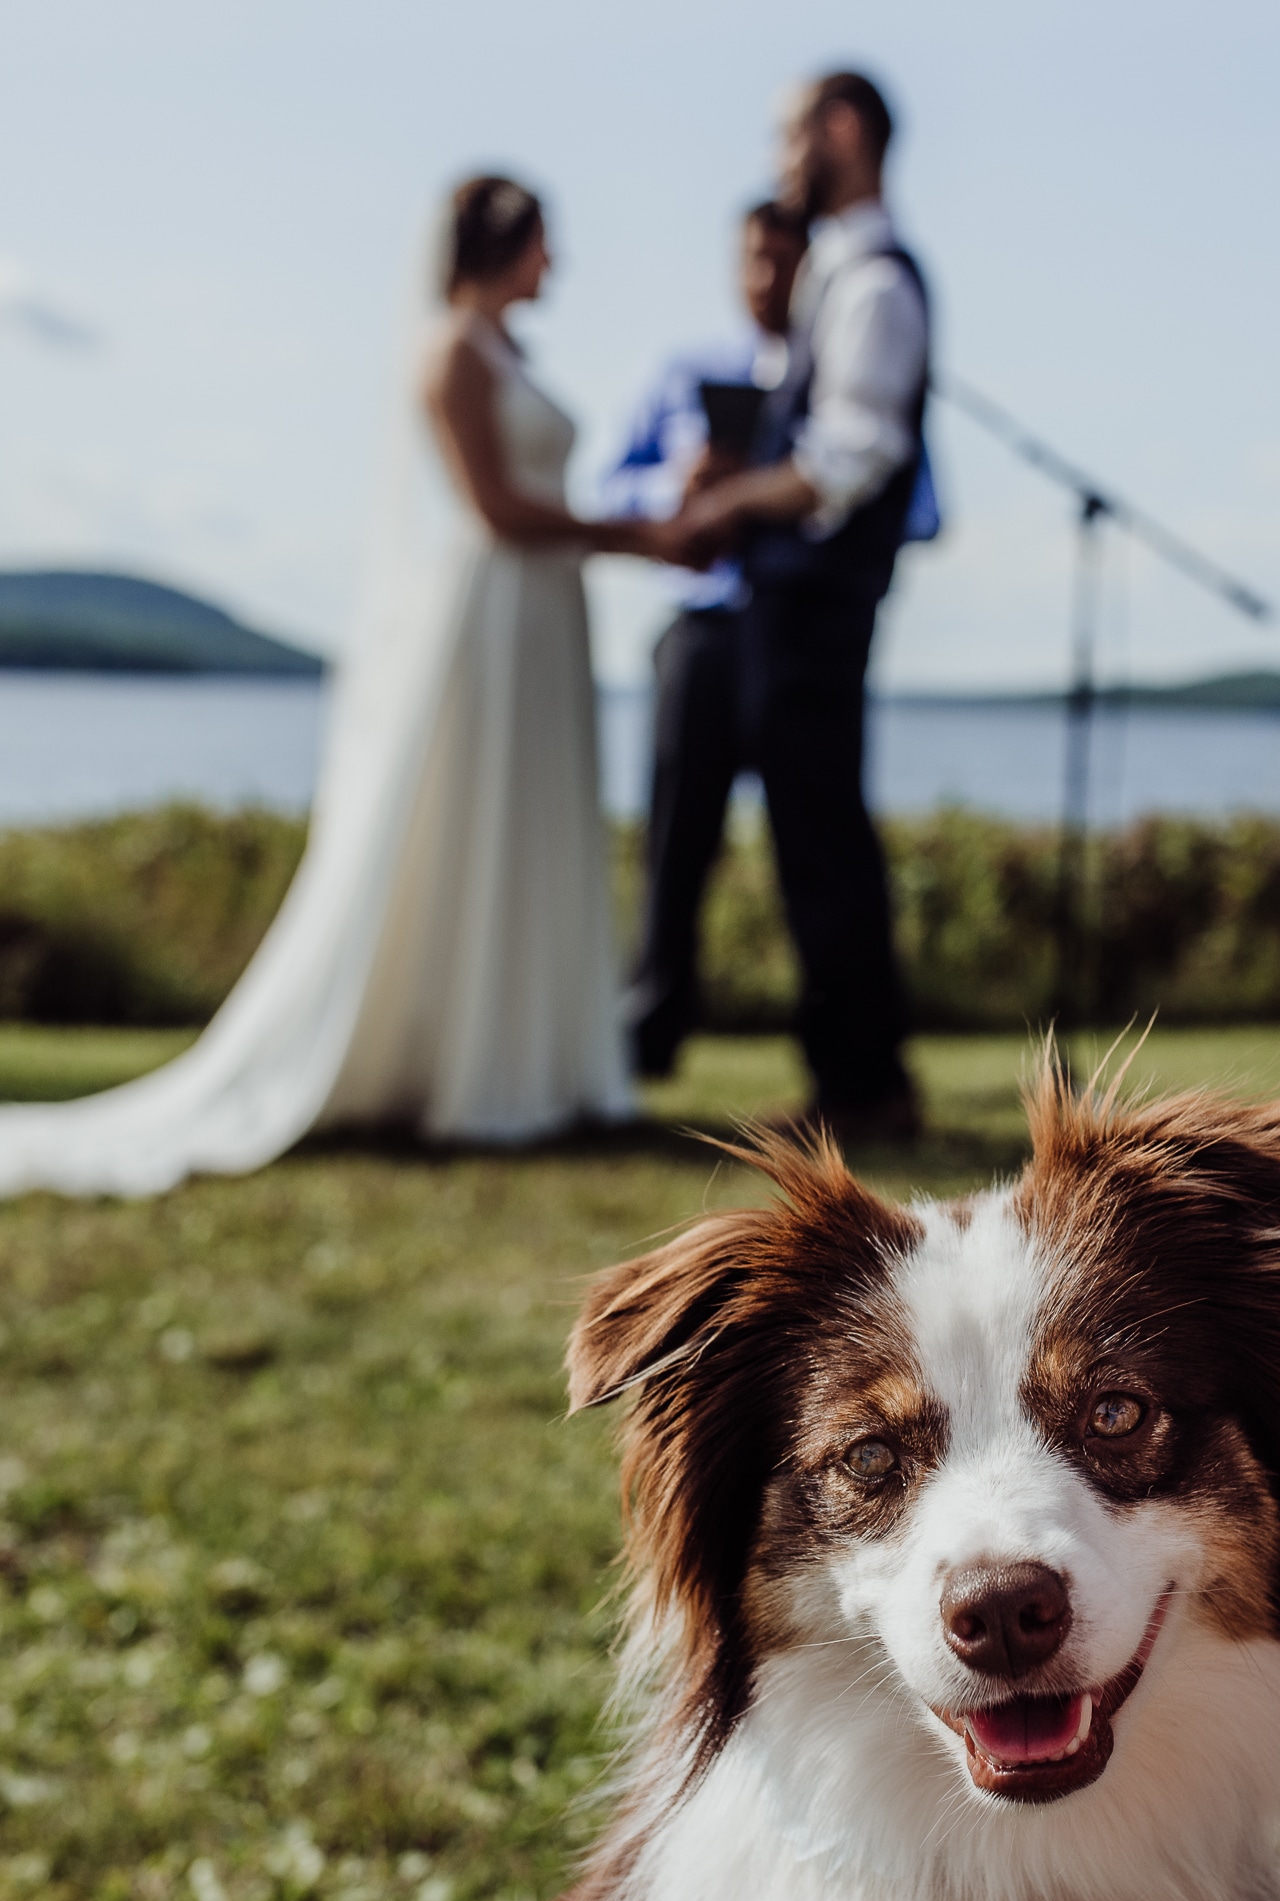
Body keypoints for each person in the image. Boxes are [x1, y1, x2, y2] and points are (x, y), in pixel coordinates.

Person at [0, 176, 674, 1197]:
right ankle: (461, 1067)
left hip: (543, 618)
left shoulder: (504, 352)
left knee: (532, 825)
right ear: (505, 244)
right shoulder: (449, 351)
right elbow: (495, 506)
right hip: (491, 619)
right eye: (546, 243)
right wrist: (639, 534)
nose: (557, 264)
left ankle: (533, 1060)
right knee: (474, 823)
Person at [678, 72, 933, 1141]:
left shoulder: (872, 283)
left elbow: (849, 457)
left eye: (790, 132)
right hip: (795, 607)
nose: (780, 154)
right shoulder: (837, 274)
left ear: (841, 129)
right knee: (809, 836)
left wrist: (730, 498)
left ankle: (858, 1084)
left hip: (818, 607)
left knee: (821, 841)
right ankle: (853, 1074)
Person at [602, 200, 809, 1078]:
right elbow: (608, 489)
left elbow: (915, 507)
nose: (765, 280)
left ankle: (834, 1053)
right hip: (703, 626)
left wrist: (779, 492)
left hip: (803, 632)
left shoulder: (845, 382)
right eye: (751, 260)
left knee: (813, 845)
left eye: (783, 261)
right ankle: (649, 1031)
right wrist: (676, 488)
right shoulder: (684, 371)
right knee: (675, 837)